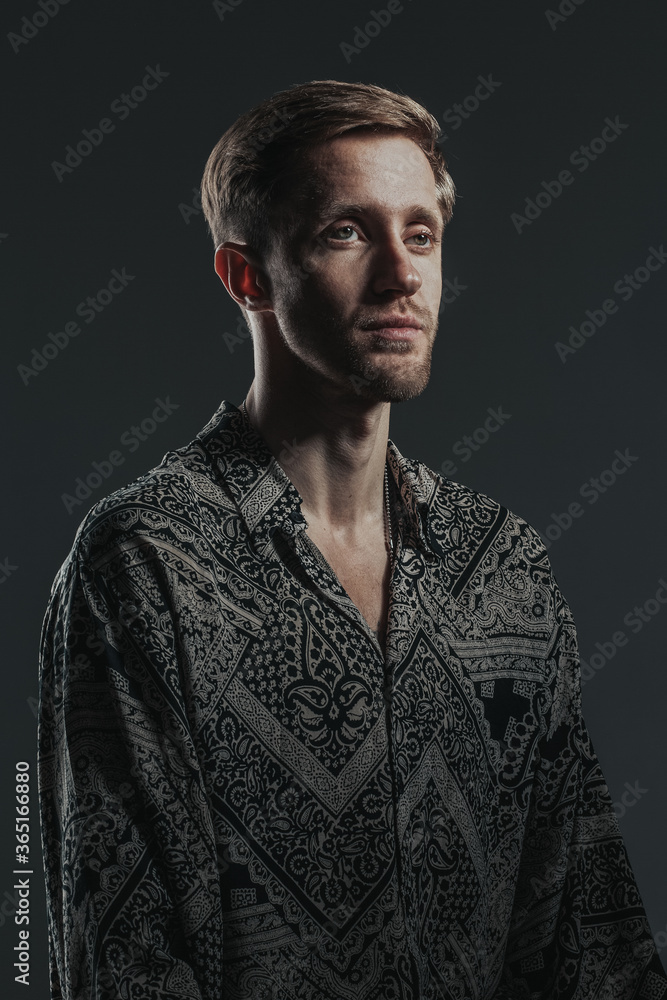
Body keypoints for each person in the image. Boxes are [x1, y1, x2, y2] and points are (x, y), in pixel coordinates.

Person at [38, 80, 666, 1000]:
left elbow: (588, 938)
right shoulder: (145, 564)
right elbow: (121, 955)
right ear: (246, 275)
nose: (400, 272)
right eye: (347, 231)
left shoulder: (504, 569)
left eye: (420, 233)